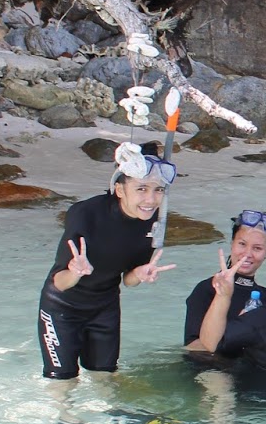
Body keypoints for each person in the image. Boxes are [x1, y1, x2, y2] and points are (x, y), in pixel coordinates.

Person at [38, 143, 178, 379]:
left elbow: (128, 281)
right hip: (63, 306)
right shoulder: (85, 214)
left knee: (104, 376)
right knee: (62, 380)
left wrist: (141, 273)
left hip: (105, 306)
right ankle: (65, 417)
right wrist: (76, 271)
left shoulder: (152, 223)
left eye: (159, 190)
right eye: (141, 189)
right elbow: (59, 283)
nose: (151, 199)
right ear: (119, 190)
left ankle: (108, 416)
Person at [182, 209, 266, 346]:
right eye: (242, 244)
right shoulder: (207, 289)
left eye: (257, 248)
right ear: (232, 244)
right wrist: (238, 329)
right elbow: (193, 347)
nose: (247, 254)